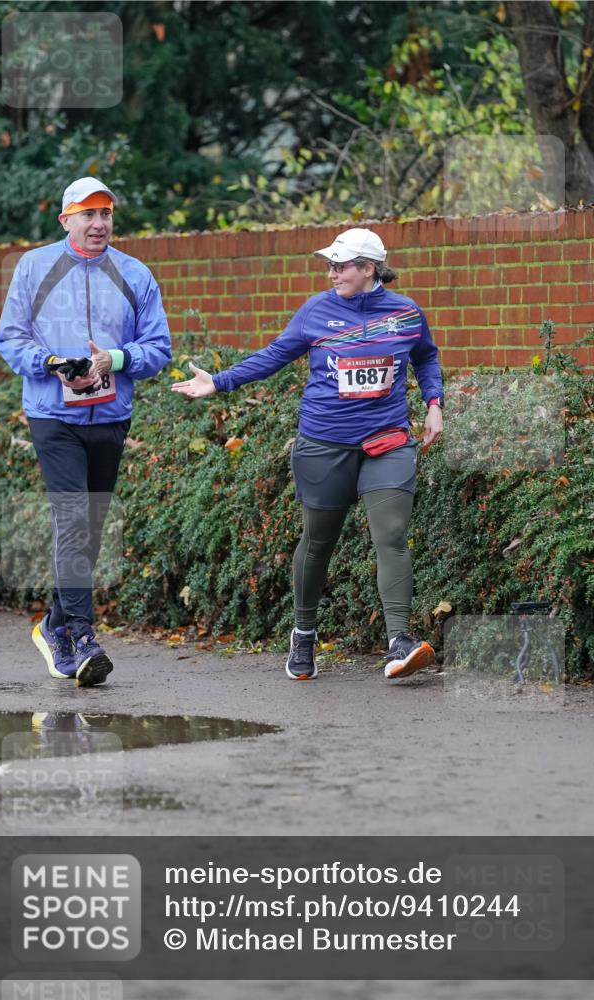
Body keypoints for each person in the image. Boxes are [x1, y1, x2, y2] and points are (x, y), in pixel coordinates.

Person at [172, 227, 443, 681]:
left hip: (387, 440)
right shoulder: (317, 311)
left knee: (391, 535)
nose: (332, 272)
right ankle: (303, 633)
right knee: (319, 542)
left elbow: (427, 357)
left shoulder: (405, 313)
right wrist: (218, 382)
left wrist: (434, 405)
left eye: (341, 265)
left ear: (369, 269)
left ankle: (399, 641)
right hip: (324, 444)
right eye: (330, 265)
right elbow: (275, 355)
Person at [0, 176, 172, 686]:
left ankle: (52, 624)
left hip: (111, 415)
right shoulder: (35, 267)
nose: (99, 224)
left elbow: (158, 347)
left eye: (107, 214)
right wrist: (51, 362)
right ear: (66, 219)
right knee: (73, 519)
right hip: (54, 416)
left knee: (88, 531)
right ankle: (82, 635)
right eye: (88, 214)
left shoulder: (134, 274)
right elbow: (9, 338)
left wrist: (114, 358)